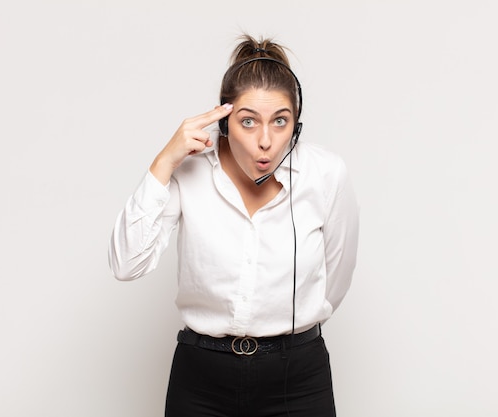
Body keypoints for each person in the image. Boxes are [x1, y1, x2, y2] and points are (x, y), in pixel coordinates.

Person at [108, 34, 359, 417]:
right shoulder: (188, 170)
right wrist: (164, 162)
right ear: (223, 122)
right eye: (247, 122)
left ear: (297, 123)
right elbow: (127, 264)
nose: (265, 141)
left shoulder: (325, 175)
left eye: (280, 121)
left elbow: (335, 278)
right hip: (202, 377)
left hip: (298, 375)